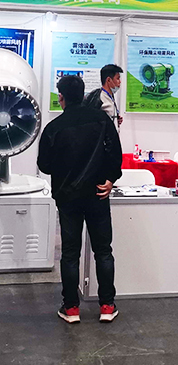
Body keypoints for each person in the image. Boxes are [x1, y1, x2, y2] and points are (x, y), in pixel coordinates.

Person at [37, 75, 123, 324]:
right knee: (103, 251)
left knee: (70, 253)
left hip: (68, 198)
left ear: (61, 97)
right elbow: (115, 153)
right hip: (98, 194)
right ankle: (107, 306)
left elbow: (44, 165)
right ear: (84, 95)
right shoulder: (102, 120)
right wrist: (111, 179)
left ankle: (71, 308)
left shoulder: (54, 128)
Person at [82, 64, 123, 131]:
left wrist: (115, 118)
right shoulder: (99, 98)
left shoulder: (110, 96)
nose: (120, 82)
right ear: (109, 80)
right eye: (118, 78)